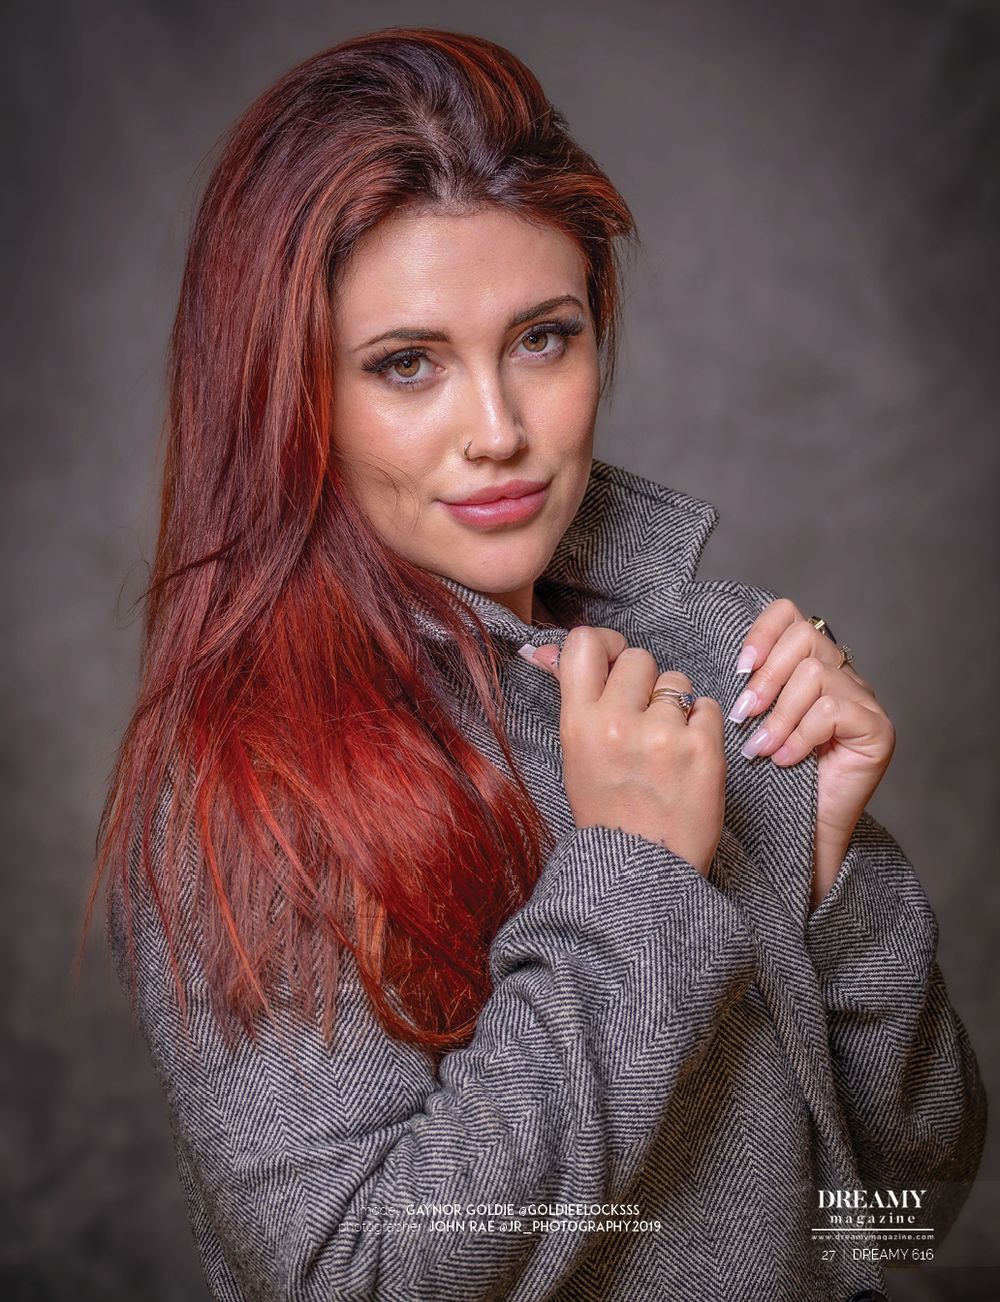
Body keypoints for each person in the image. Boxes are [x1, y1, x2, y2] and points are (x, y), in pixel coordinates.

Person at [83, 25, 987, 1302]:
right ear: (286, 396)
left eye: (542, 339)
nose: (498, 430)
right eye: (406, 365)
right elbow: (354, 1277)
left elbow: (906, 1210)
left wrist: (836, 881)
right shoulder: (249, 778)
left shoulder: (709, 662)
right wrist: (632, 879)